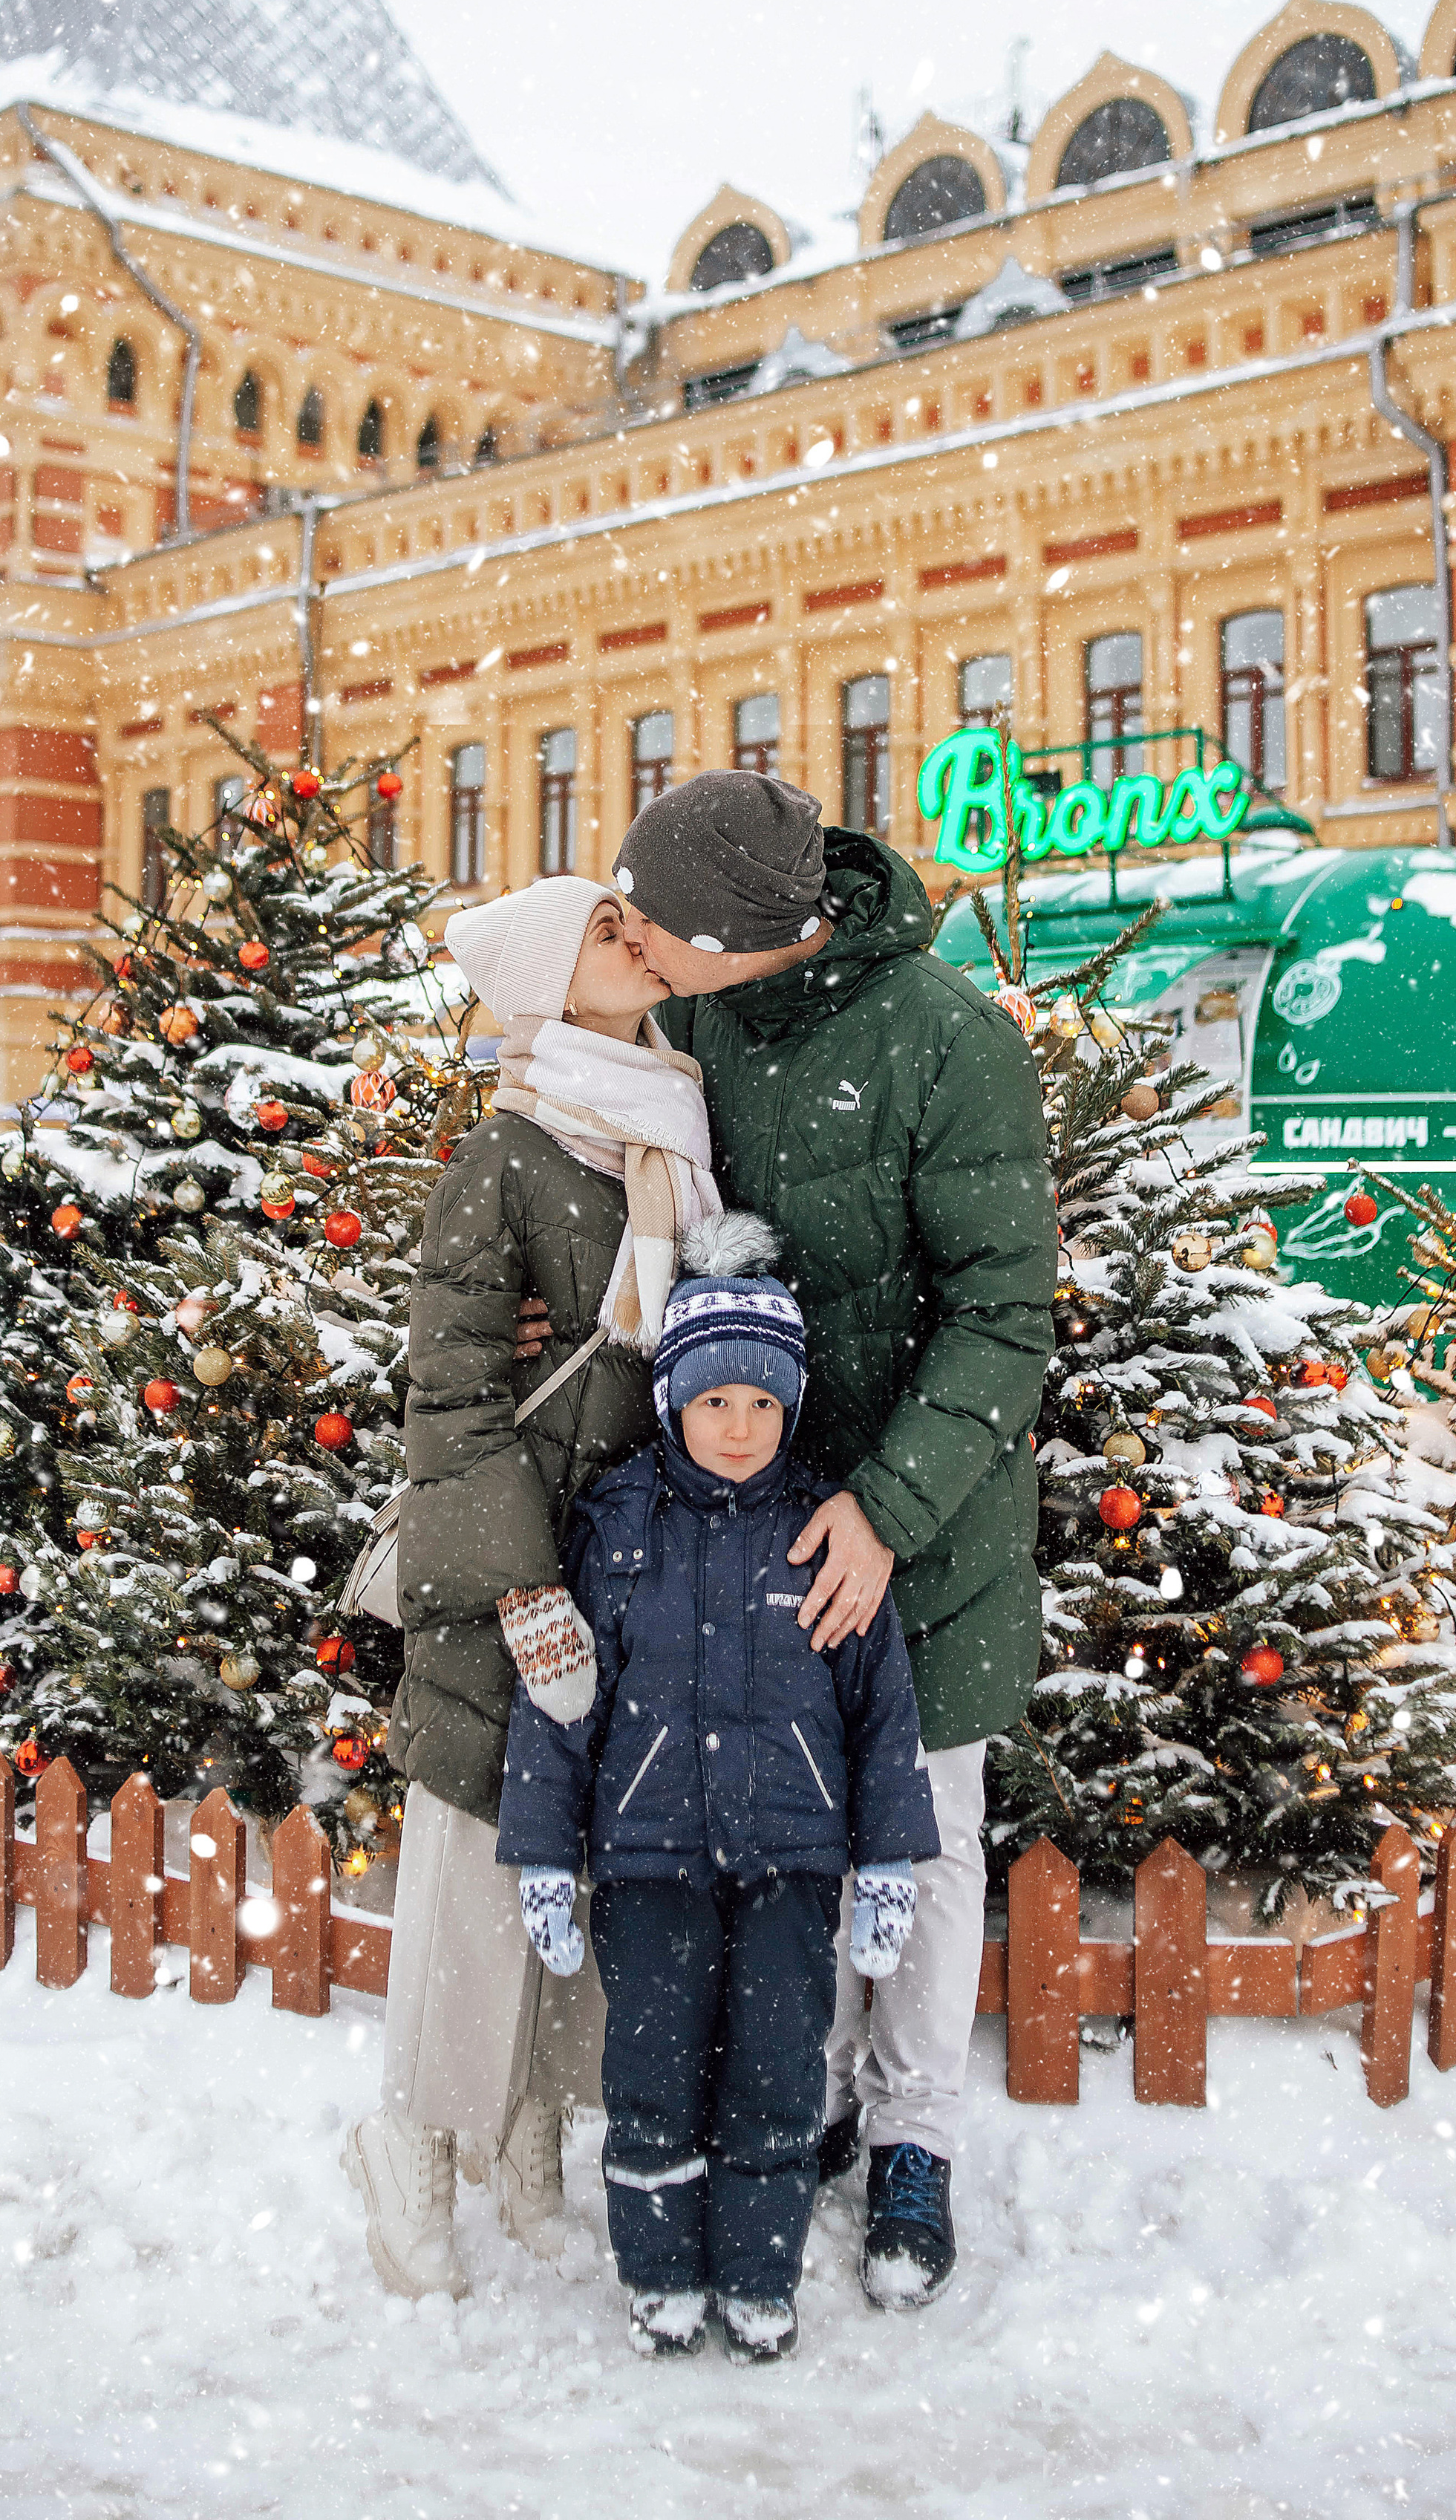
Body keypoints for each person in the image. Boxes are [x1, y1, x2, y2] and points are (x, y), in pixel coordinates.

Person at [607, 767, 1057, 2309]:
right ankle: (814, 2095)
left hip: (930, 1524)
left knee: (920, 1838)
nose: (642, 944)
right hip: (760, 1509)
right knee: (795, 1824)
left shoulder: (946, 1040)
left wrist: (890, 1503)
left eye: (663, 926)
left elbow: (1003, 1312)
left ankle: (916, 2135)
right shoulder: (708, 1025)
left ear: (749, 933)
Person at [342, 875, 721, 2299]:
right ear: (551, 984)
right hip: (511, 1570)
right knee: (472, 1867)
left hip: (627, 1559)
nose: (640, 937)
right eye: (607, 933)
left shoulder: (671, 1125)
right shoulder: (503, 1158)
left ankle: (528, 2131)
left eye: (635, 922)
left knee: (587, 1870)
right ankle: (411, 2149)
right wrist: (515, 1589)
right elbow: (448, 1390)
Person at [497, 1258, 940, 2362]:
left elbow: (882, 1711)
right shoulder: (616, 1525)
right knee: (649, 2077)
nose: (739, 1428)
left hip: (790, 1863)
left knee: (778, 2074)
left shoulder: (823, 1533)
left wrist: (889, 1860)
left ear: (787, 1405)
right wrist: (545, 1854)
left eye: (761, 1403)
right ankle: (659, 2274)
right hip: (649, 1862)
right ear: (672, 1403)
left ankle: (755, 2274)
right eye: (713, 1401)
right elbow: (558, 1705)